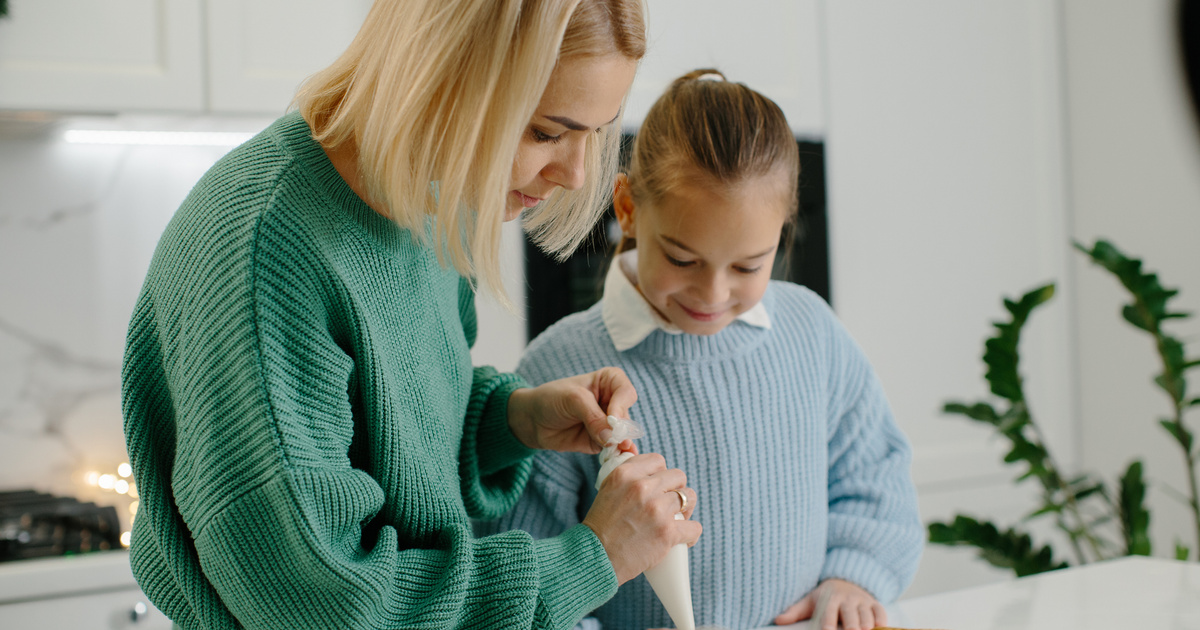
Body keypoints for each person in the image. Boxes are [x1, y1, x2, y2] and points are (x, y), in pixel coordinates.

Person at [120, 1, 703, 628]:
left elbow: (399, 436)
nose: (576, 173)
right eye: (545, 133)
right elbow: (326, 602)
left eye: (595, 132)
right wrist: (593, 557)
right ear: (444, 72)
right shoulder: (268, 251)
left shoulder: (425, 201)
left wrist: (513, 420)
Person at [476, 69, 924, 630]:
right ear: (628, 208)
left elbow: (876, 478)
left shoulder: (812, 332)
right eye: (682, 259)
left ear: (782, 234)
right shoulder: (558, 372)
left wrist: (854, 575)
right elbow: (526, 579)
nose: (712, 294)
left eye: (748, 266)